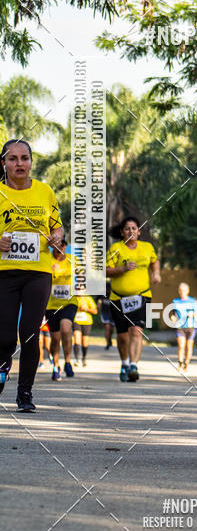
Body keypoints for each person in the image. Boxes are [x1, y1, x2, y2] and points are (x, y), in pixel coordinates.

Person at [0, 139, 64, 411]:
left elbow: (58, 227)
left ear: (31, 162)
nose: (19, 164)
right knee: (4, 337)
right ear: (3, 163)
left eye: (24, 158)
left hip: (38, 272)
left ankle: (24, 394)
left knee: (29, 334)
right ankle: (1, 376)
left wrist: (58, 236)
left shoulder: (45, 191)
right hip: (4, 273)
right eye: (12, 158)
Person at [106, 216, 161, 382]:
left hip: (142, 295)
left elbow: (154, 261)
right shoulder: (116, 248)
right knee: (122, 336)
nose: (131, 231)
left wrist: (156, 273)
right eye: (127, 228)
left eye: (134, 228)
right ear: (122, 232)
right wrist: (123, 268)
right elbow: (105, 270)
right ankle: (124, 362)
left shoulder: (147, 247)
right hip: (118, 298)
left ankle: (133, 366)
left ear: (139, 231)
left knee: (137, 331)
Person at [45, 238, 77, 381]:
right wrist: (49, 273)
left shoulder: (72, 260)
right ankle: (55, 365)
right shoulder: (46, 261)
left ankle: (68, 362)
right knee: (55, 338)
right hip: (51, 304)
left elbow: (85, 274)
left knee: (66, 329)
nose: (58, 250)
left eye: (61, 247)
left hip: (69, 302)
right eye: (55, 248)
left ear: (65, 247)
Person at [169, 282, 197, 371]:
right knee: (181, 346)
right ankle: (180, 363)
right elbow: (172, 313)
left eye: (183, 290)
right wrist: (172, 318)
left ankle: (186, 363)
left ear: (188, 291)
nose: (182, 292)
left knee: (189, 346)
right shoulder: (175, 301)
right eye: (180, 290)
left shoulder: (192, 301)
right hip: (180, 327)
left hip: (190, 327)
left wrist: (193, 314)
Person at [73, 294, 97, 366]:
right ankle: (76, 359)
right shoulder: (73, 298)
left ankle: (84, 358)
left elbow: (95, 311)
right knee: (77, 339)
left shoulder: (88, 298)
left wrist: (86, 309)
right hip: (76, 321)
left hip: (87, 322)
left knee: (85, 342)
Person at [100, 285, 115, 349]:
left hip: (113, 314)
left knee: (111, 329)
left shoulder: (113, 294)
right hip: (105, 313)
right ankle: (107, 343)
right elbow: (99, 301)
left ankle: (109, 339)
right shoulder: (102, 295)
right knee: (107, 328)